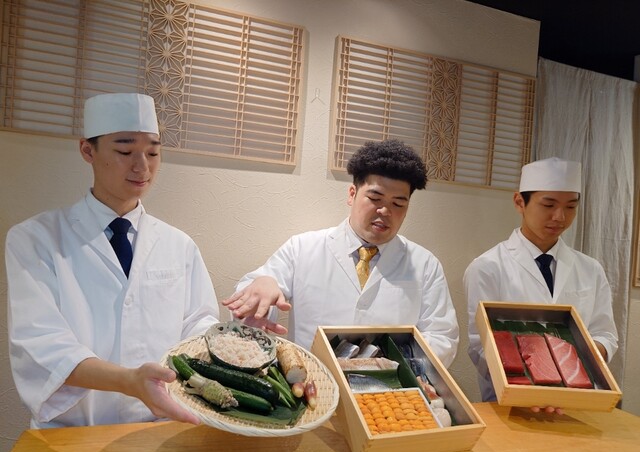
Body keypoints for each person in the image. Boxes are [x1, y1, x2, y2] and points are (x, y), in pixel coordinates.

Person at [5, 93, 219, 428]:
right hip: (72, 434)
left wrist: (231, 346)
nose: (142, 166)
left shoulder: (180, 245)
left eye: (153, 152)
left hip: (160, 430)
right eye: (124, 151)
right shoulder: (35, 239)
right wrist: (129, 381)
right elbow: (41, 342)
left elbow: (199, 325)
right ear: (87, 151)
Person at [223, 139, 459, 368]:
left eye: (398, 203)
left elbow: (442, 336)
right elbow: (255, 295)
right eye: (374, 198)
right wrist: (262, 291)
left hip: (387, 389)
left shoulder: (425, 265)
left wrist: (403, 368)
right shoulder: (302, 248)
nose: (385, 210)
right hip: (312, 384)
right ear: (352, 194)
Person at [464, 157, 618, 411]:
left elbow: (605, 334)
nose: (560, 217)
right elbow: (480, 345)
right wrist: (525, 386)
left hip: (580, 402)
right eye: (548, 205)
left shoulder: (591, 269)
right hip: (512, 404)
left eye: (571, 206)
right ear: (519, 202)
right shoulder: (487, 267)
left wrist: (580, 361)